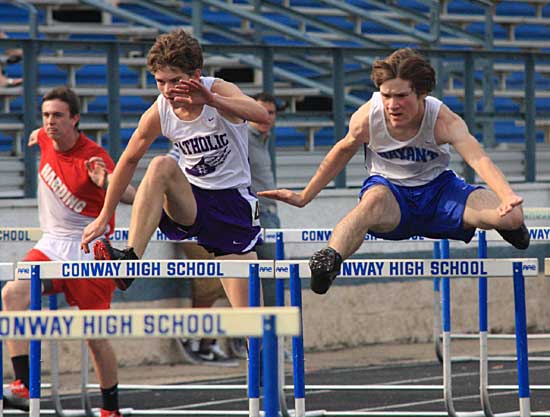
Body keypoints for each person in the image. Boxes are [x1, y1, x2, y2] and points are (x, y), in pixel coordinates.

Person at [259, 48, 530, 295]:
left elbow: (478, 157)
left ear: (422, 94)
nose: (392, 105)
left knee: (512, 216)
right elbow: (342, 151)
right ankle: (329, 259)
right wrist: (305, 195)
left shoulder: (443, 120)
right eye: (386, 95)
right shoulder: (368, 117)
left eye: (401, 96)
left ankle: (513, 227)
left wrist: (506, 195)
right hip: (391, 195)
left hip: (439, 191)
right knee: (372, 200)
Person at [80, 29, 269, 314]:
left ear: (195, 75)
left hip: (231, 204)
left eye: (175, 81)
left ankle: (262, 356)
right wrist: (104, 215)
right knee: (160, 165)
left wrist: (211, 100)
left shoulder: (217, 89)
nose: (167, 90)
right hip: (189, 201)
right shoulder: (160, 111)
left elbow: (260, 115)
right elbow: (128, 161)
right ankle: (129, 260)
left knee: (252, 319)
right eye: (160, 82)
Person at [1, 87, 135, 416]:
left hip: (88, 250)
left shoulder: (93, 156)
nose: (50, 122)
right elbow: (41, 135)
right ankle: (24, 383)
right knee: (12, 295)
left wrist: (106, 182)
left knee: (94, 336)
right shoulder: (45, 137)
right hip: (50, 246)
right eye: (46, 116)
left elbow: (131, 194)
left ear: (75, 119)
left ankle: (110, 409)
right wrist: (38, 133)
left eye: (58, 116)